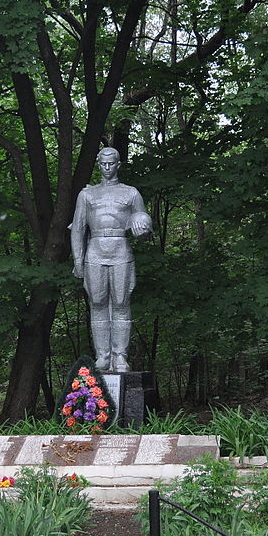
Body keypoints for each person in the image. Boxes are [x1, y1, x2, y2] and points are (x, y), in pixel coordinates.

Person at [69, 147, 152, 372]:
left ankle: (120, 356)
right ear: (98, 165)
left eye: (111, 163)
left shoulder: (131, 193)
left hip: (120, 250)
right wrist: (78, 260)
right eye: (103, 164)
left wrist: (142, 229)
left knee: (121, 303)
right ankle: (103, 357)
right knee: (97, 303)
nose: (107, 167)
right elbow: (78, 229)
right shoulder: (87, 195)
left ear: (118, 165)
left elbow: (143, 224)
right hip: (95, 251)